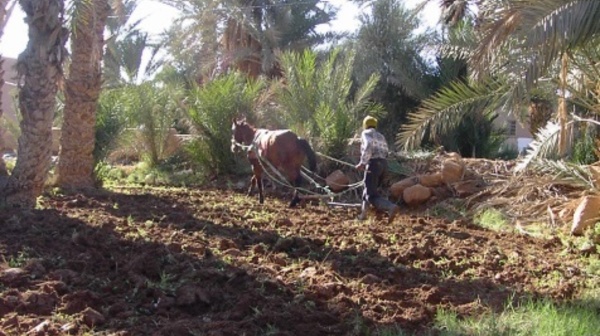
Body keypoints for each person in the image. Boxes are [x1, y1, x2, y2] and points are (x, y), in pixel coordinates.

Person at [355, 116, 400, 223]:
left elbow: (368, 145)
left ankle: (390, 206)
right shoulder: (381, 136)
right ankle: (363, 215)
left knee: (371, 195)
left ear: (365, 125)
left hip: (373, 164)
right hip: (383, 165)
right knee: (368, 190)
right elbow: (386, 151)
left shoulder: (366, 133)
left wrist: (362, 163)